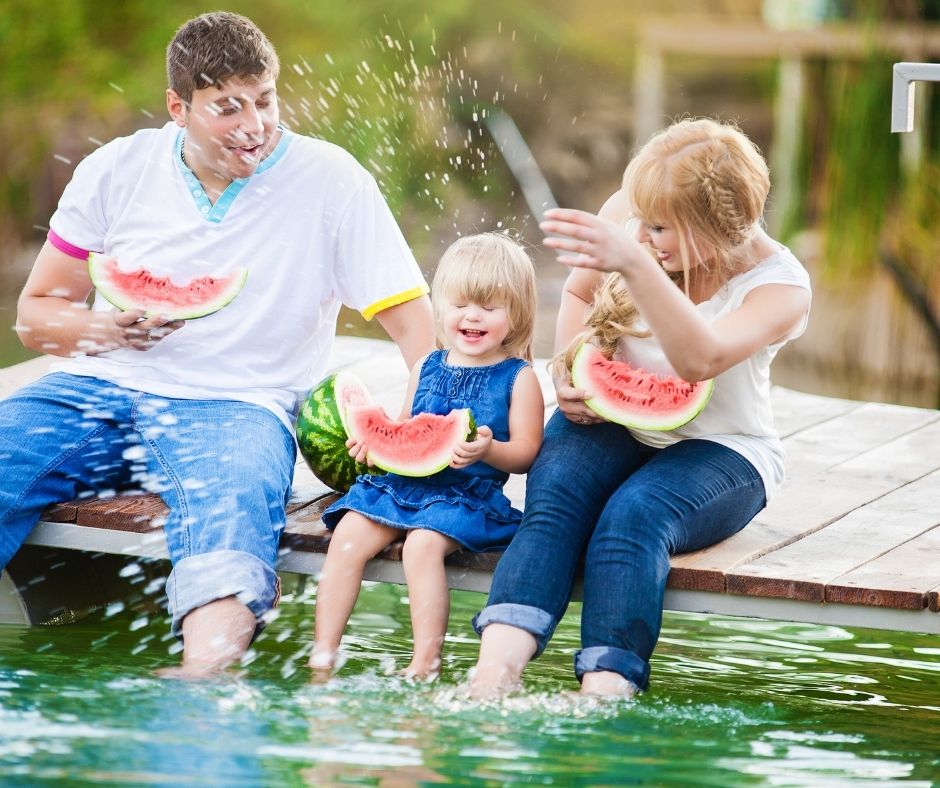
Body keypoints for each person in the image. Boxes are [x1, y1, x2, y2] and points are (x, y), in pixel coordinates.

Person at [2, 11, 435, 677]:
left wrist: (420, 422)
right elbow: (36, 315)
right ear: (179, 106)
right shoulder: (116, 168)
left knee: (230, 527)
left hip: (240, 407)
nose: (254, 126)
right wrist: (101, 328)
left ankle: (201, 682)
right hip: (97, 388)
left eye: (264, 101)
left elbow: (414, 326)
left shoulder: (330, 179)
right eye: (227, 108)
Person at [468, 118, 812, 699]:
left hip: (725, 450)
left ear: (714, 224)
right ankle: (490, 678)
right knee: (553, 506)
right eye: (642, 220)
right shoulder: (636, 215)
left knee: (633, 517)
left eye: (661, 228)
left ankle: (604, 694)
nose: (644, 232)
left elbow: (699, 361)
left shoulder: (779, 287)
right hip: (612, 420)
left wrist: (634, 263)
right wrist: (568, 366)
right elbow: (579, 292)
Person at [310, 233, 544, 680]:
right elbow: (404, 430)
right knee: (347, 540)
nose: (471, 316)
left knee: (420, 548)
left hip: (465, 497)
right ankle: (323, 652)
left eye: (489, 308)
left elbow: (527, 453)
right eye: (459, 305)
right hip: (402, 486)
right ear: (440, 308)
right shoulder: (426, 366)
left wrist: (490, 449)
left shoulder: (520, 378)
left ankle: (425, 662)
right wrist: (372, 451)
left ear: (516, 315)